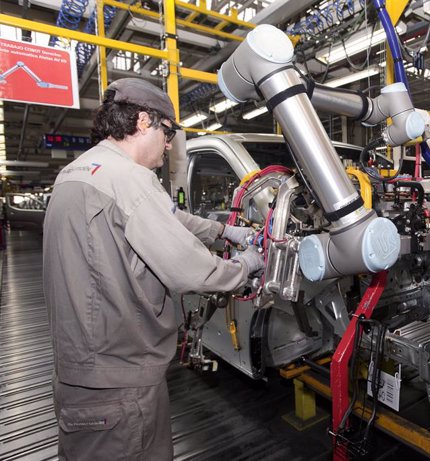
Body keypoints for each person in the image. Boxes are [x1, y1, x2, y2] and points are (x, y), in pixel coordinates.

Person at [43, 78, 264, 460]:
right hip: (120, 383)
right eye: (168, 132)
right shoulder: (130, 180)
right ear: (144, 121)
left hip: (80, 373)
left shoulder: (79, 171)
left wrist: (225, 230)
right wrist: (246, 265)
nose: (168, 145)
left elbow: (169, 218)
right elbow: (193, 272)